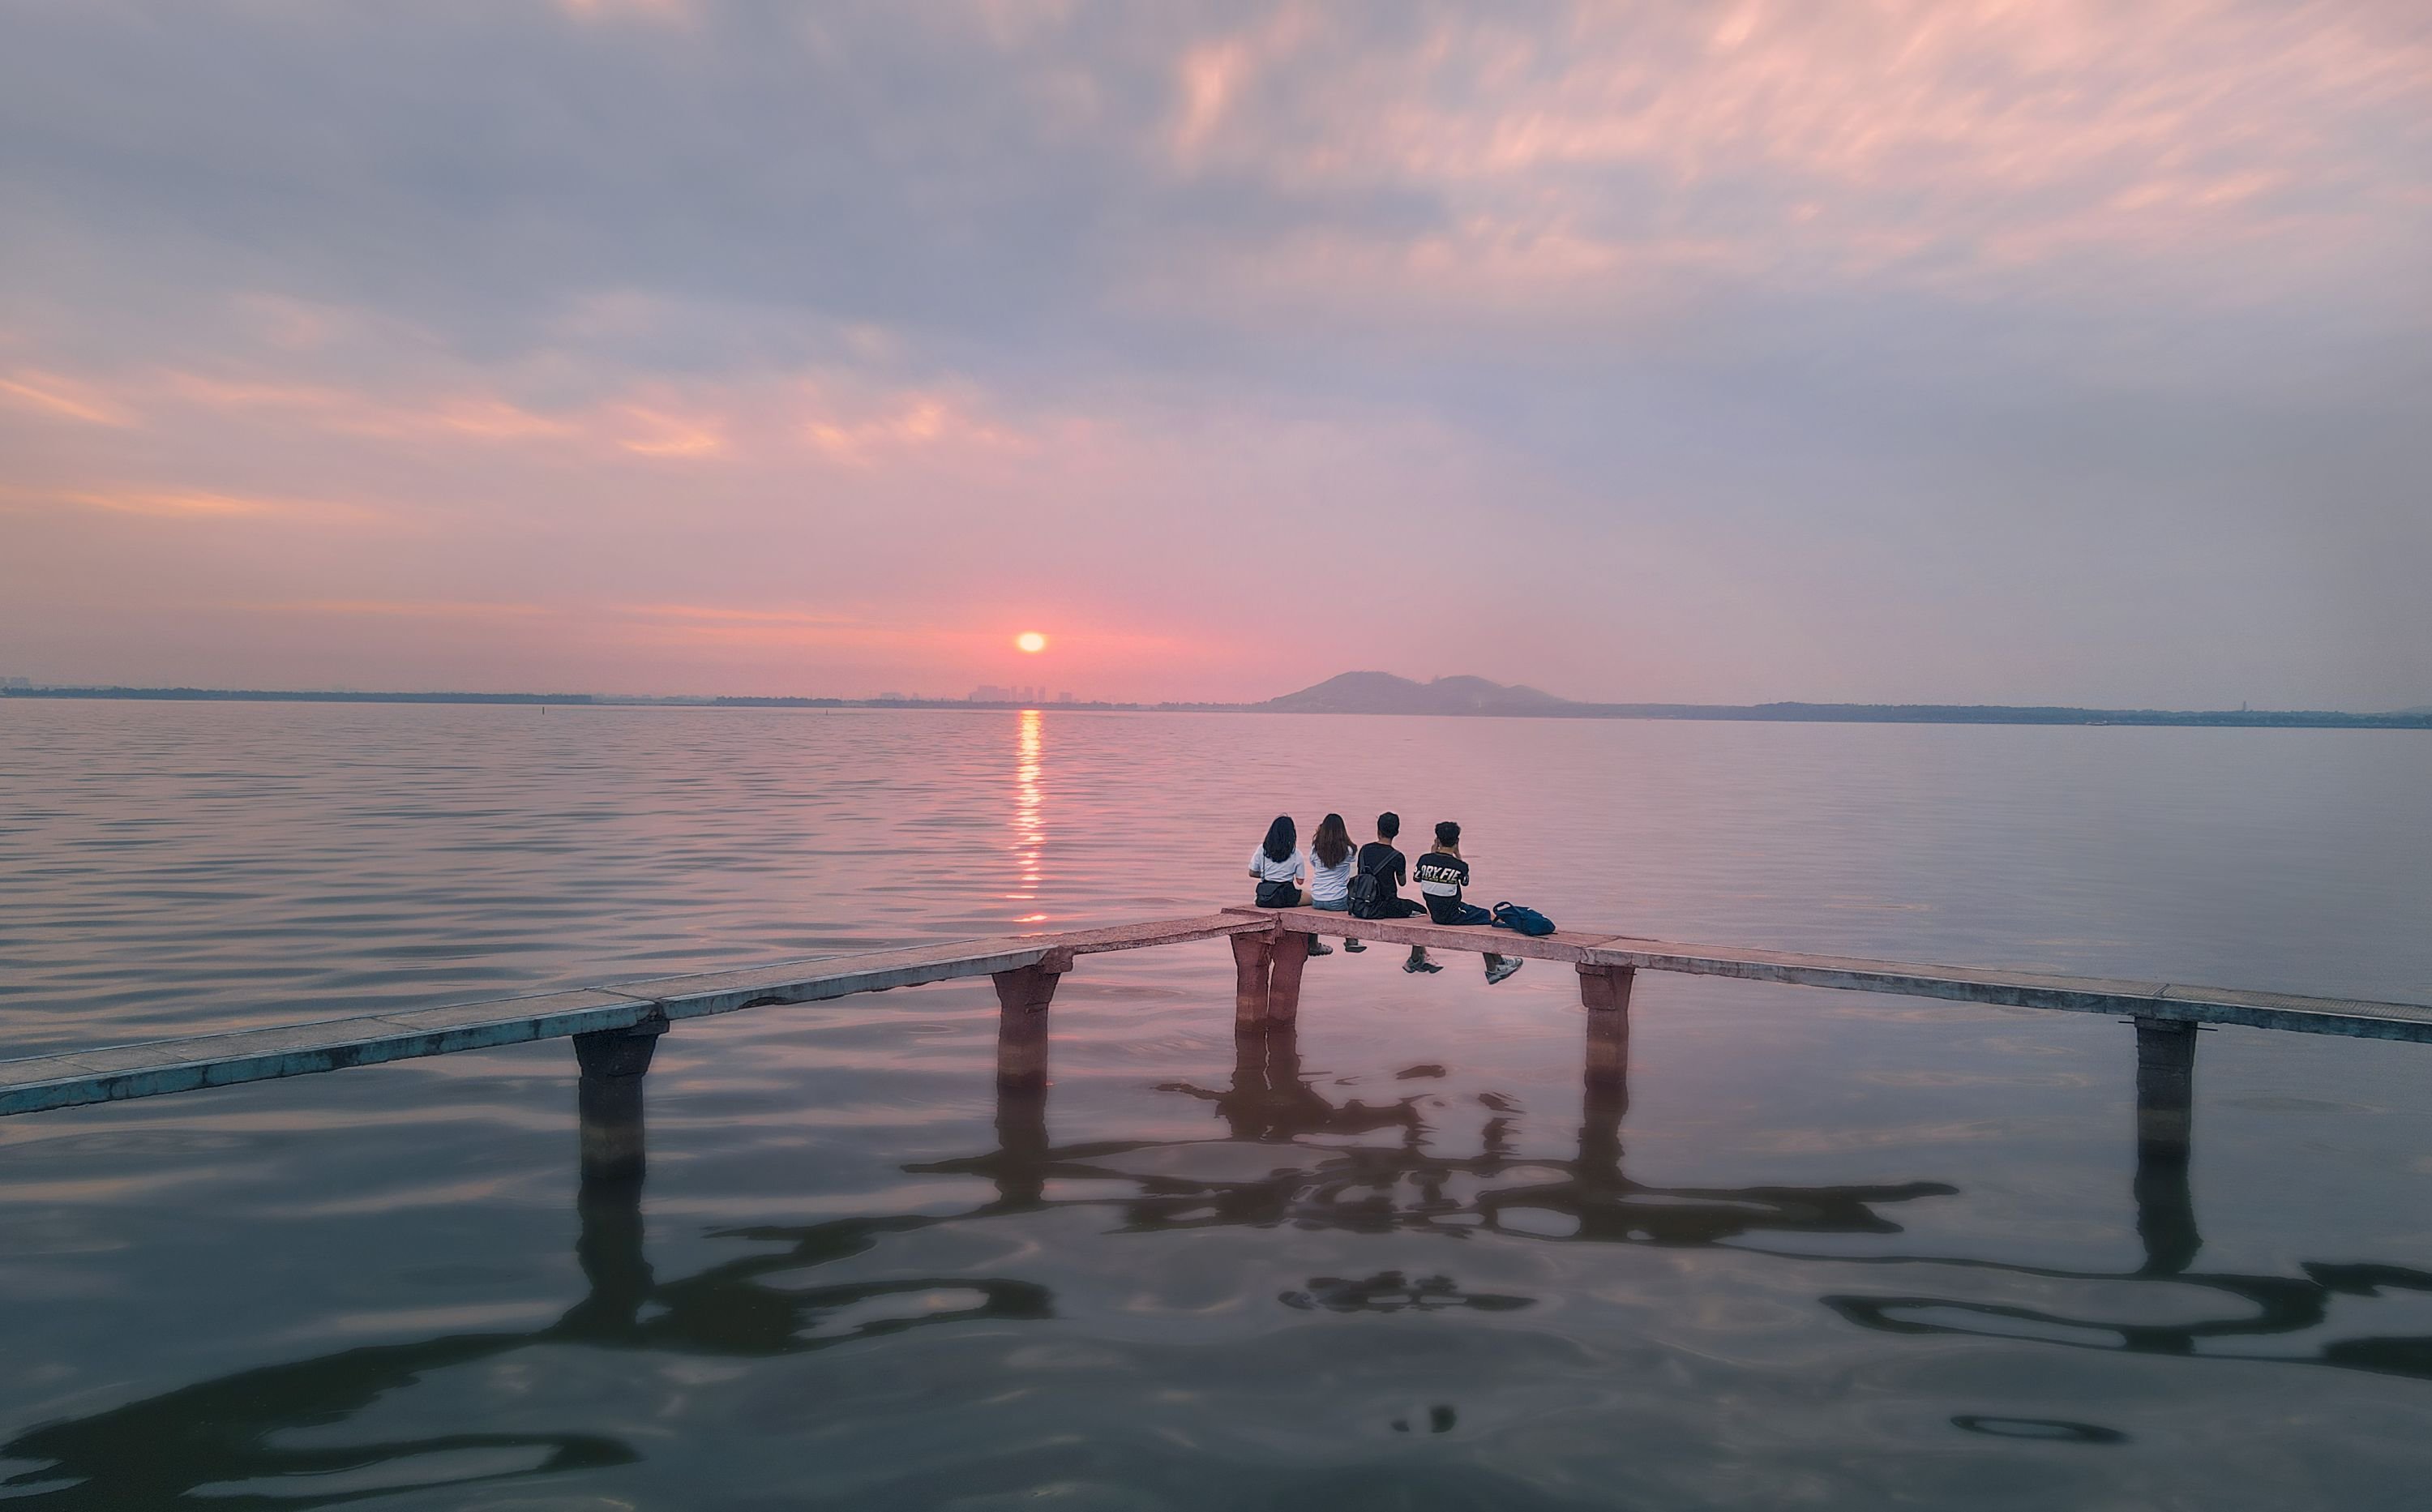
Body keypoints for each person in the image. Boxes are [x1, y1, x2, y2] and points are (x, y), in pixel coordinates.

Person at [1414, 820, 1521, 984]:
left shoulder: (1424, 860)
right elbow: (1464, 882)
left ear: (1437, 840)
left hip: (1435, 912)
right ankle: (1495, 967)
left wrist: (1432, 854)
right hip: (1451, 915)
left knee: (1478, 915)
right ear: (1457, 841)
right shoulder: (1460, 866)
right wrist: (1458, 856)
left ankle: (1496, 965)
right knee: (1487, 918)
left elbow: (1417, 877)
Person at [1357, 812, 1439, 974]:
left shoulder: (1364, 850)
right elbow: (1402, 882)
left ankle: (1418, 958)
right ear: (1397, 832)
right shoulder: (1397, 856)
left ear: (1378, 830)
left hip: (1361, 903)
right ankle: (1416, 957)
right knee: (1423, 912)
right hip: (1386, 907)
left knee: (1414, 911)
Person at [1247, 815, 1332, 955]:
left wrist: (1266, 875)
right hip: (1286, 895)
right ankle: (1313, 944)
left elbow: (1252, 872)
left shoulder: (1262, 850)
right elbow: (1300, 881)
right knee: (1316, 901)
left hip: (1264, 898)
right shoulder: (1295, 853)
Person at [1305, 812, 1364, 953]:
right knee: (1352, 897)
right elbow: (1355, 874)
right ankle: (1351, 940)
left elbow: (1314, 865)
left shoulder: (1316, 849)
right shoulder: (1349, 851)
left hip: (1317, 900)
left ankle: (1313, 943)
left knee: (1321, 903)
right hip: (1338, 901)